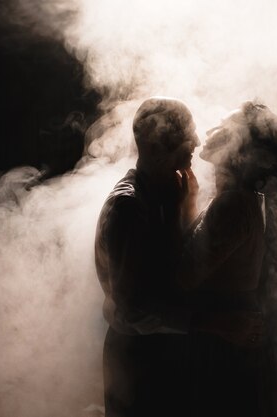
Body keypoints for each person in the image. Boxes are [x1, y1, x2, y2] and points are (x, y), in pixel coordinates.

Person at [179, 101, 277, 417]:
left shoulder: (232, 205)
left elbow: (183, 278)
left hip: (224, 344)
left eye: (225, 129)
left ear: (242, 152)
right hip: (231, 339)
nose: (212, 130)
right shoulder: (242, 198)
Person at [94, 96, 200, 417]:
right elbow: (133, 309)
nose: (196, 141)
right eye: (186, 135)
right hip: (137, 363)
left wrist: (187, 208)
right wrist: (210, 324)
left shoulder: (170, 190)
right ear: (154, 147)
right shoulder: (128, 206)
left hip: (162, 355)